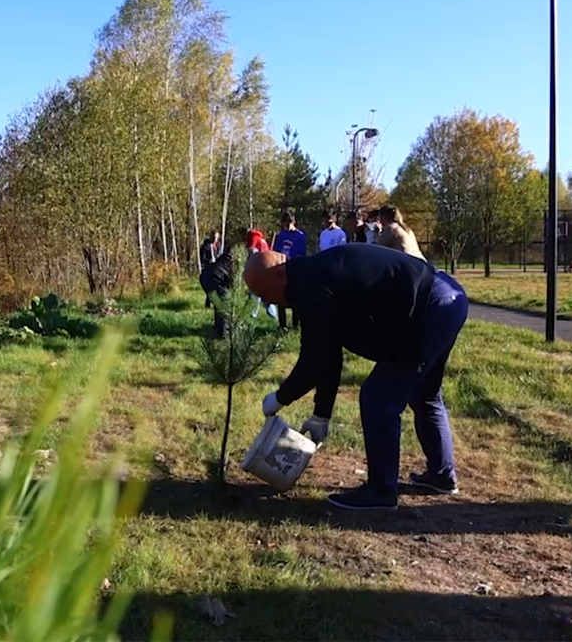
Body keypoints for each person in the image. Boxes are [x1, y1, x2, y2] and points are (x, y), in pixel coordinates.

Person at [243, 244, 469, 511]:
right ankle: (441, 476)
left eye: (265, 292)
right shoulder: (312, 277)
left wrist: (279, 399)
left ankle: (382, 491)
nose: (267, 301)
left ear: (280, 273)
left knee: (377, 399)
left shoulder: (311, 285)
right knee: (424, 394)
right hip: (446, 299)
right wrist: (321, 416)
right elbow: (327, 353)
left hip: (427, 308)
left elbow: (313, 359)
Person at [272, 211, 306, 330]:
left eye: (288, 224)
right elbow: (276, 251)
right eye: (285, 224)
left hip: (295, 268)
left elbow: (302, 253)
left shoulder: (300, 236)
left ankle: (295, 324)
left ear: (293, 222)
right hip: (281, 267)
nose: (286, 227)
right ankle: (282, 325)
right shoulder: (281, 235)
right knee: (280, 295)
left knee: (295, 296)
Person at [199, 243, 234, 339]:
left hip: (205, 278)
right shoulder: (232, 261)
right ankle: (224, 333)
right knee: (224, 306)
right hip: (214, 279)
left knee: (218, 304)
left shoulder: (223, 258)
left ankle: (218, 327)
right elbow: (231, 278)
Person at [200, 230, 222, 308]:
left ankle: (211, 303)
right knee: (209, 287)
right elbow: (202, 258)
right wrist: (209, 261)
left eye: (216, 237)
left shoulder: (218, 246)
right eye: (213, 237)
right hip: (208, 269)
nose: (215, 239)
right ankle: (209, 302)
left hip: (216, 269)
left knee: (216, 287)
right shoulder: (205, 247)